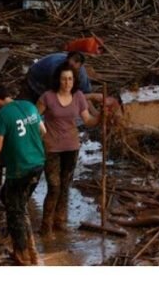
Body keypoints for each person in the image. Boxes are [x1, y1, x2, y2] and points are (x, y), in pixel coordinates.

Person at [0, 82, 46, 266]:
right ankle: (28, 246)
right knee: (13, 200)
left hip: (20, 169)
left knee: (16, 211)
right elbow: (43, 131)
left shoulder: (2, 115)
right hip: (38, 163)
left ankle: (22, 254)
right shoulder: (29, 106)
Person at [36, 63, 103, 236]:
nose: (67, 83)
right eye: (64, 79)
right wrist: (43, 134)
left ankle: (60, 221)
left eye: (70, 79)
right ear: (58, 80)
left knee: (65, 185)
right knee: (54, 186)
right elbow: (34, 118)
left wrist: (102, 117)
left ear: (74, 81)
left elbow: (87, 121)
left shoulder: (79, 97)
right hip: (51, 148)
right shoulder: (47, 97)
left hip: (71, 147)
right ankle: (46, 226)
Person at [23, 51, 92, 102]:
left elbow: (85, 92)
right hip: (37, 79)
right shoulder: (54, 68)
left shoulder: (81, 74)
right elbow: (56, 95)